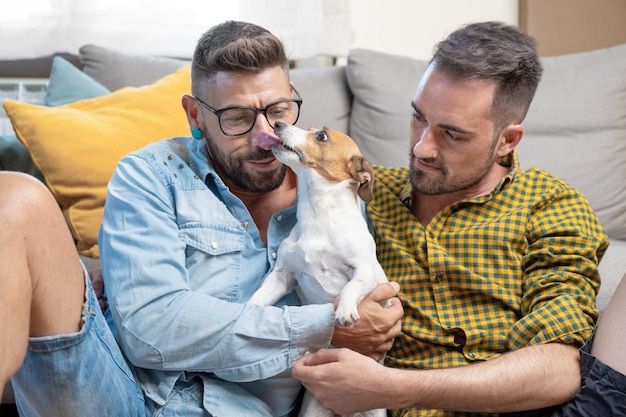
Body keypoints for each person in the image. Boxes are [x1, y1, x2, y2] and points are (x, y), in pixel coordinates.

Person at [1, 21, 404, 416]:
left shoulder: (339, 193)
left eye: (279, 110)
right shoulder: (150, 175)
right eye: (236, 117)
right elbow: (150, 326)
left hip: (247, 409)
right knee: (16, 197)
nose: (265, 134)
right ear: (195, 115)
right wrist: (320, 324)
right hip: (124, 393)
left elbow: (370, 314)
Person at [292, 21, 626, 416]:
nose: (421, 147)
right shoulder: (360, 193)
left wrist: (392, 388)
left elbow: (558, 368)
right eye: (418, 117)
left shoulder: (551, 205)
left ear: (508, 140)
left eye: (452, 134)